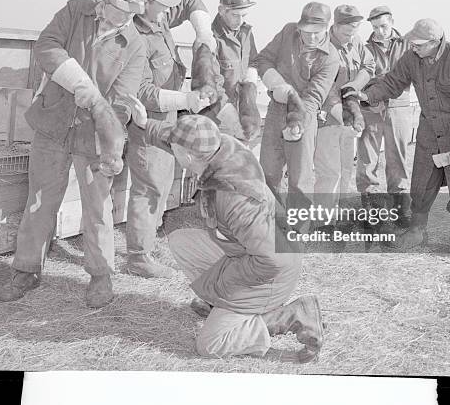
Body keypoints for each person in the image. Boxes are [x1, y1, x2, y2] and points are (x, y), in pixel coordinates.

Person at [126, 96, 325, 361]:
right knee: (182, 242)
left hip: (272, 272)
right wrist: (145, 123)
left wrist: (222, 283)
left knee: (210, 344)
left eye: (176, 149)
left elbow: (272, 260)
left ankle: (287, 316)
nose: (172, 148)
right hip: (253, 251)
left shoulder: (233, 195)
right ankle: (223, 305)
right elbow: (180, 140)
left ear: (186, 156)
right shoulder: (220, 146)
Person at [0, 0, 147, 307]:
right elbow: (46, 46)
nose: (124, 16)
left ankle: (101, 274)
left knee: (97, 208)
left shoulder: (135, 44)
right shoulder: (76, 10)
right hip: (52, 125)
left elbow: (120, 102)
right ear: (104, 0)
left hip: (93, 136)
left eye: (131, 11)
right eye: (119, 7)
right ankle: (26, 270)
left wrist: (109, 137)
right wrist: (79, 82)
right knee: (39, 201)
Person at [354, 18, 450, 254]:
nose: (413, 48)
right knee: (422, 178)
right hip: (430, 127)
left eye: (418, 45)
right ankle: (417, 230)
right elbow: (392, 81)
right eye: (412, 44)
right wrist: (368, 96)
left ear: (435, 42)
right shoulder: (412, 58)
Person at [125, 0, 215, 279]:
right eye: (161, 5)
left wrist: (203, 33)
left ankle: (146, 244)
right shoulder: (134, 37)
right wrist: (186, 100)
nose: (168, 10)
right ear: (144, 3)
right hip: (147, 119)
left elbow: (190, 1)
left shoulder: (158, 16)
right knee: (149, 186)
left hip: (169, 115)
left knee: (161, 183)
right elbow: (141, 91)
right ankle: (138, 256)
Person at [254, 2, 340, 206]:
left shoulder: (331, 58)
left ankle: (298, 230)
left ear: (327, 28)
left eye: (317, 32)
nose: (310, 37)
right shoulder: (287, 31)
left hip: (304, 116)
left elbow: (313, 98)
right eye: (306, 31)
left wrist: (296, 124)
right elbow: (263, 60)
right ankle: (270, 222)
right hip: (276, 110)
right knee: (267, 172)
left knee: (300, 178)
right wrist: (275, 83)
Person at [314, 5, 375, 212]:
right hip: (328, 119)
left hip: (350, 116)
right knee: (329, 172)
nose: (351, 36)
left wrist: (354, 87)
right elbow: (324, 84)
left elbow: (369, 67)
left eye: (355, 30)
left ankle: (339, 215)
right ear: (335, 25)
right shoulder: (321, 44)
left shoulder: (356, 42)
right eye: (347, 31)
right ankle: (322, 221)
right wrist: (341, 112)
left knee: (346, 169)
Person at [356, 6, 412, 224]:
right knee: (368, 157)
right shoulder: (364, 47)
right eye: (375, 27)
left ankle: (401, 208)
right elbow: (362, 75)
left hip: (399, 107)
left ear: (392, 22)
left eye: (383, 26)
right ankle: (370, 207)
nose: (379, 31)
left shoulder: (408, 46)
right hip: (371, 106)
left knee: (397, 156)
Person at [212, 0, 259, 102]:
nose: (241, 21)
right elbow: (210, 86)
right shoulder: (210, 39)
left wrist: (250, 82)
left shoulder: (246, 32)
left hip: (241, 108)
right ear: (221, 10)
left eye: (244, 15)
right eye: (235, 15)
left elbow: (253, 62)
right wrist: (228, 114)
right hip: (218, 113)